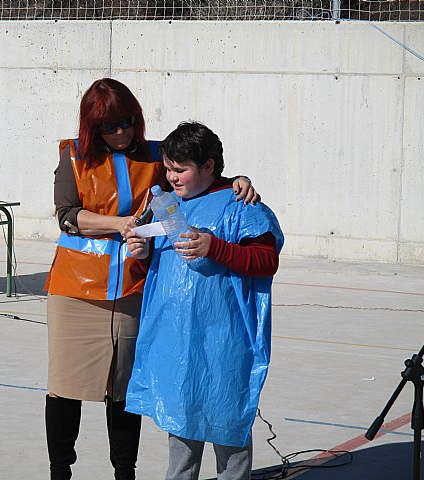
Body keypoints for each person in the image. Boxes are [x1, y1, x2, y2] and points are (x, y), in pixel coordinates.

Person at [43, 79, 259, 480]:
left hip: (132, 287)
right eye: (109, 126)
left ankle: (125, 473)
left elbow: (199, 174)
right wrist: (118, 224)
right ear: (92, 127)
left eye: (127, 122)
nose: (121, 132)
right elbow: (67, 215)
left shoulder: (157, 154)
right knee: (64, 387)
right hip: (76, 289)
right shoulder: (73, 155)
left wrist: (238, 182)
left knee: (123, 390)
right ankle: (60, 472)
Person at [125, 122, 284, 480]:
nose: (172, 177)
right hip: (177, 339)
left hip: (224, 339)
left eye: (180, 170)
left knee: (228, 426)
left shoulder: (241, 204)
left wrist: (216, 247)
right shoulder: (166, 206)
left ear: (209, 166)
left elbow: (266, 261)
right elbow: (162, 264)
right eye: (168, 169)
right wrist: (142, 252)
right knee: (180, 424)